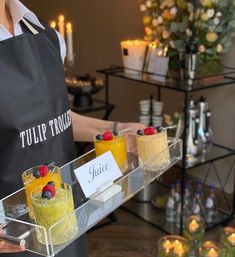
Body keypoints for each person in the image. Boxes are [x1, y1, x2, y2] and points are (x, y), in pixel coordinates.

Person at [0, 0, 145, 255]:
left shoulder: (46, 34)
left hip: (66, 221)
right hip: (10, 235)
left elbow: (54, 118)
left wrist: (117, 129)